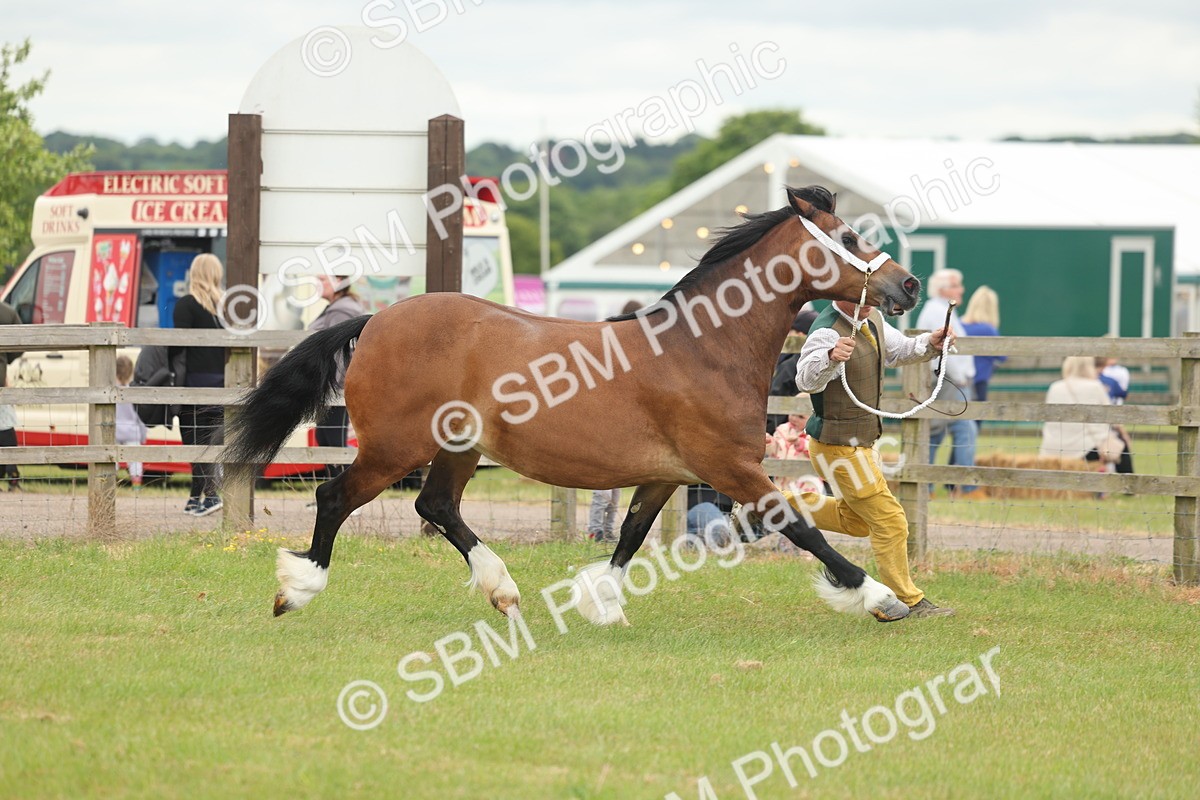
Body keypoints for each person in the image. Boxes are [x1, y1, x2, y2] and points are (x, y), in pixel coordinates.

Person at [789, 298, 957, 619]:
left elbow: (898, 351)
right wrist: (828, 357)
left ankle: (773, 505)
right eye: (861, 298)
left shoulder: (873, 319)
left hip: (856, 444)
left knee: (855, 522)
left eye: (871, 299)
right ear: (840, 294)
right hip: (839, 447)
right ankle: (907, 601)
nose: (869, 305)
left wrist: (929, 343)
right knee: (891, 521)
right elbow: (804, 380)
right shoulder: (826, 330)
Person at [169, 254, 226, 517]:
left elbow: (178, 346)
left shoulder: (186, 305)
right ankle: (195, 499)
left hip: (193, 383)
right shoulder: (226, 308)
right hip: (221, 384)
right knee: (210, 443)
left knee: (194, 443)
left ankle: (212, 496)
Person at [588, 300, 644, 543]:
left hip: (616, 426)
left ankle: (607, 530)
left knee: (615, 490)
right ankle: (595, 530)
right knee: (604, 491)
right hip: (604, 425)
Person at [916, 269, 976, 493]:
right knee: (963, 428)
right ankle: (966, 487)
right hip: (949, 380)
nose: (961, 289)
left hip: (948, 380)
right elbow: (945, 348)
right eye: (956, 285)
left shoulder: (941, 309)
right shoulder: (937, 311)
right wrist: (961, 378)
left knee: (937, 430)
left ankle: (927, 485)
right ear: (943, 289)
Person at [309, 274, 366, 480]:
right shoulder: (338, 308)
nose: (317, 283)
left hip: (334, 385)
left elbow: (340, 353)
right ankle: (336, 495)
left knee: (333, 439)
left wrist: (330, 385)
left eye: (323, 279)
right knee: (326, 437)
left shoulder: (341, 311)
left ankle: (345, 495)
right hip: (333, 383)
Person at [1039, 358, 1131, 473]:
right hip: (1085, 449)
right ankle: (1128, 484)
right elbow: (1111, 416)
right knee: (1121, 445)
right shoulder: (1095, 386)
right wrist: (1123, 433)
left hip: (1052, 447)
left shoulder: (1055, 387)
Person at [767, 308, 818, 432]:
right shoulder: (824, 359)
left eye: (790, 332)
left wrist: (768, 432)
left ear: (800, 335)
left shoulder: (791, 364)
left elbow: (776, 401)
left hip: (785, 433)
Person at [959, 286, 1006, 404]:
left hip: (958, 380)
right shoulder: (988, 330)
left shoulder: (959, 325)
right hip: (979, 380)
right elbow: (1002, 356)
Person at [115, 355, 148, 489]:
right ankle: (136, 487)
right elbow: (140, 417)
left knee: (112, 459)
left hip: (115, 430)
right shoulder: (134, 392)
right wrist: (143, 434)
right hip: (132, 431)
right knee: (135, 460)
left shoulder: (111, 391)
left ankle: (110, 484)